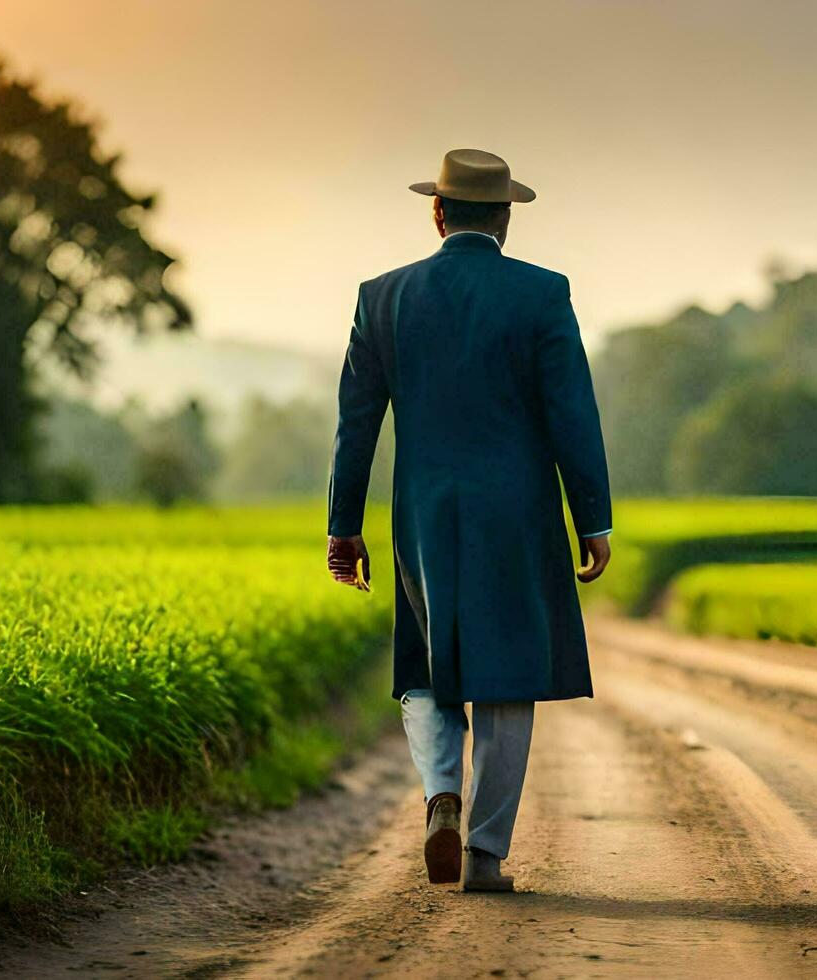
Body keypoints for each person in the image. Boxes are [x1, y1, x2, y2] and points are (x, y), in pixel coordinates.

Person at [325, 148, 612, 892]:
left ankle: (440, 794)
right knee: (509, 676)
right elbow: (572, 415)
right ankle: (485, 854)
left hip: (422, 513)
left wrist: (343, 525)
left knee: (426, 669)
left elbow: (356, 424)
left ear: (439, 211)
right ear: (506, 219)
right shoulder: (543, 295)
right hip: (518, 513)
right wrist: (593, 520)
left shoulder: (382, 297)